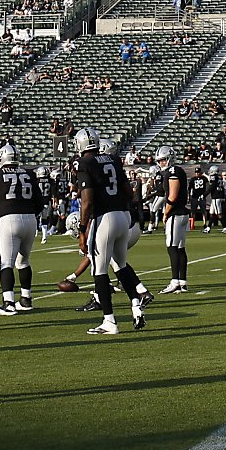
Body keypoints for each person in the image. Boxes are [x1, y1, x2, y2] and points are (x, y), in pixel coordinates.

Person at [75, 128, 151, 334]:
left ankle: (109, 321)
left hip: (104, 219)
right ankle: (136, 305)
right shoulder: (113, 159)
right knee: (120, 266)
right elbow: (129, 191)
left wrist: (82, 230)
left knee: (99, 270)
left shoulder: (84, 163)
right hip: (121, 217)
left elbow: (87, 201)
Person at [0, 141, 40, 315]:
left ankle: (8, 303)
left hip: (8, 219)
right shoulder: (29, 173)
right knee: (23, 261)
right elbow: (39, 202)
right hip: (30, 220)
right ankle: (26, 299)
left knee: (6, 262)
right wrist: (30, 215)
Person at [152, 146, 192, 293]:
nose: (162, 163)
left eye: (163, 160)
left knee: (172, 247)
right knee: (180, 248)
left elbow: (173, 196)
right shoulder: (174, 171)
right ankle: (182, 282)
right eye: (160, 161)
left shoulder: (173, 171)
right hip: (181, 213)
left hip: (176, 213)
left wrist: (166, 212)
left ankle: (175, 281)